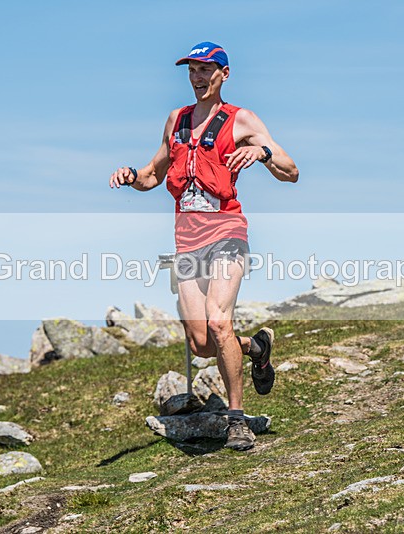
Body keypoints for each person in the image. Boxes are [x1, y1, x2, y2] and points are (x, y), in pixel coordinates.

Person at [109, 42, 299, 450]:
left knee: (218, 322)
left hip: (228, 233)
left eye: (206, 70)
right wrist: (130, 175)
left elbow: (291, 171)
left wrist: (261, 152)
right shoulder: (175, 121)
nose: (198, 78)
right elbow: (152, 175)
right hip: (187, 243)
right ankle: (256, 347)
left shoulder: (240, 118)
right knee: (201, 344)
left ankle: (236, 420)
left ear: (224, 75)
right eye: (192, 71)